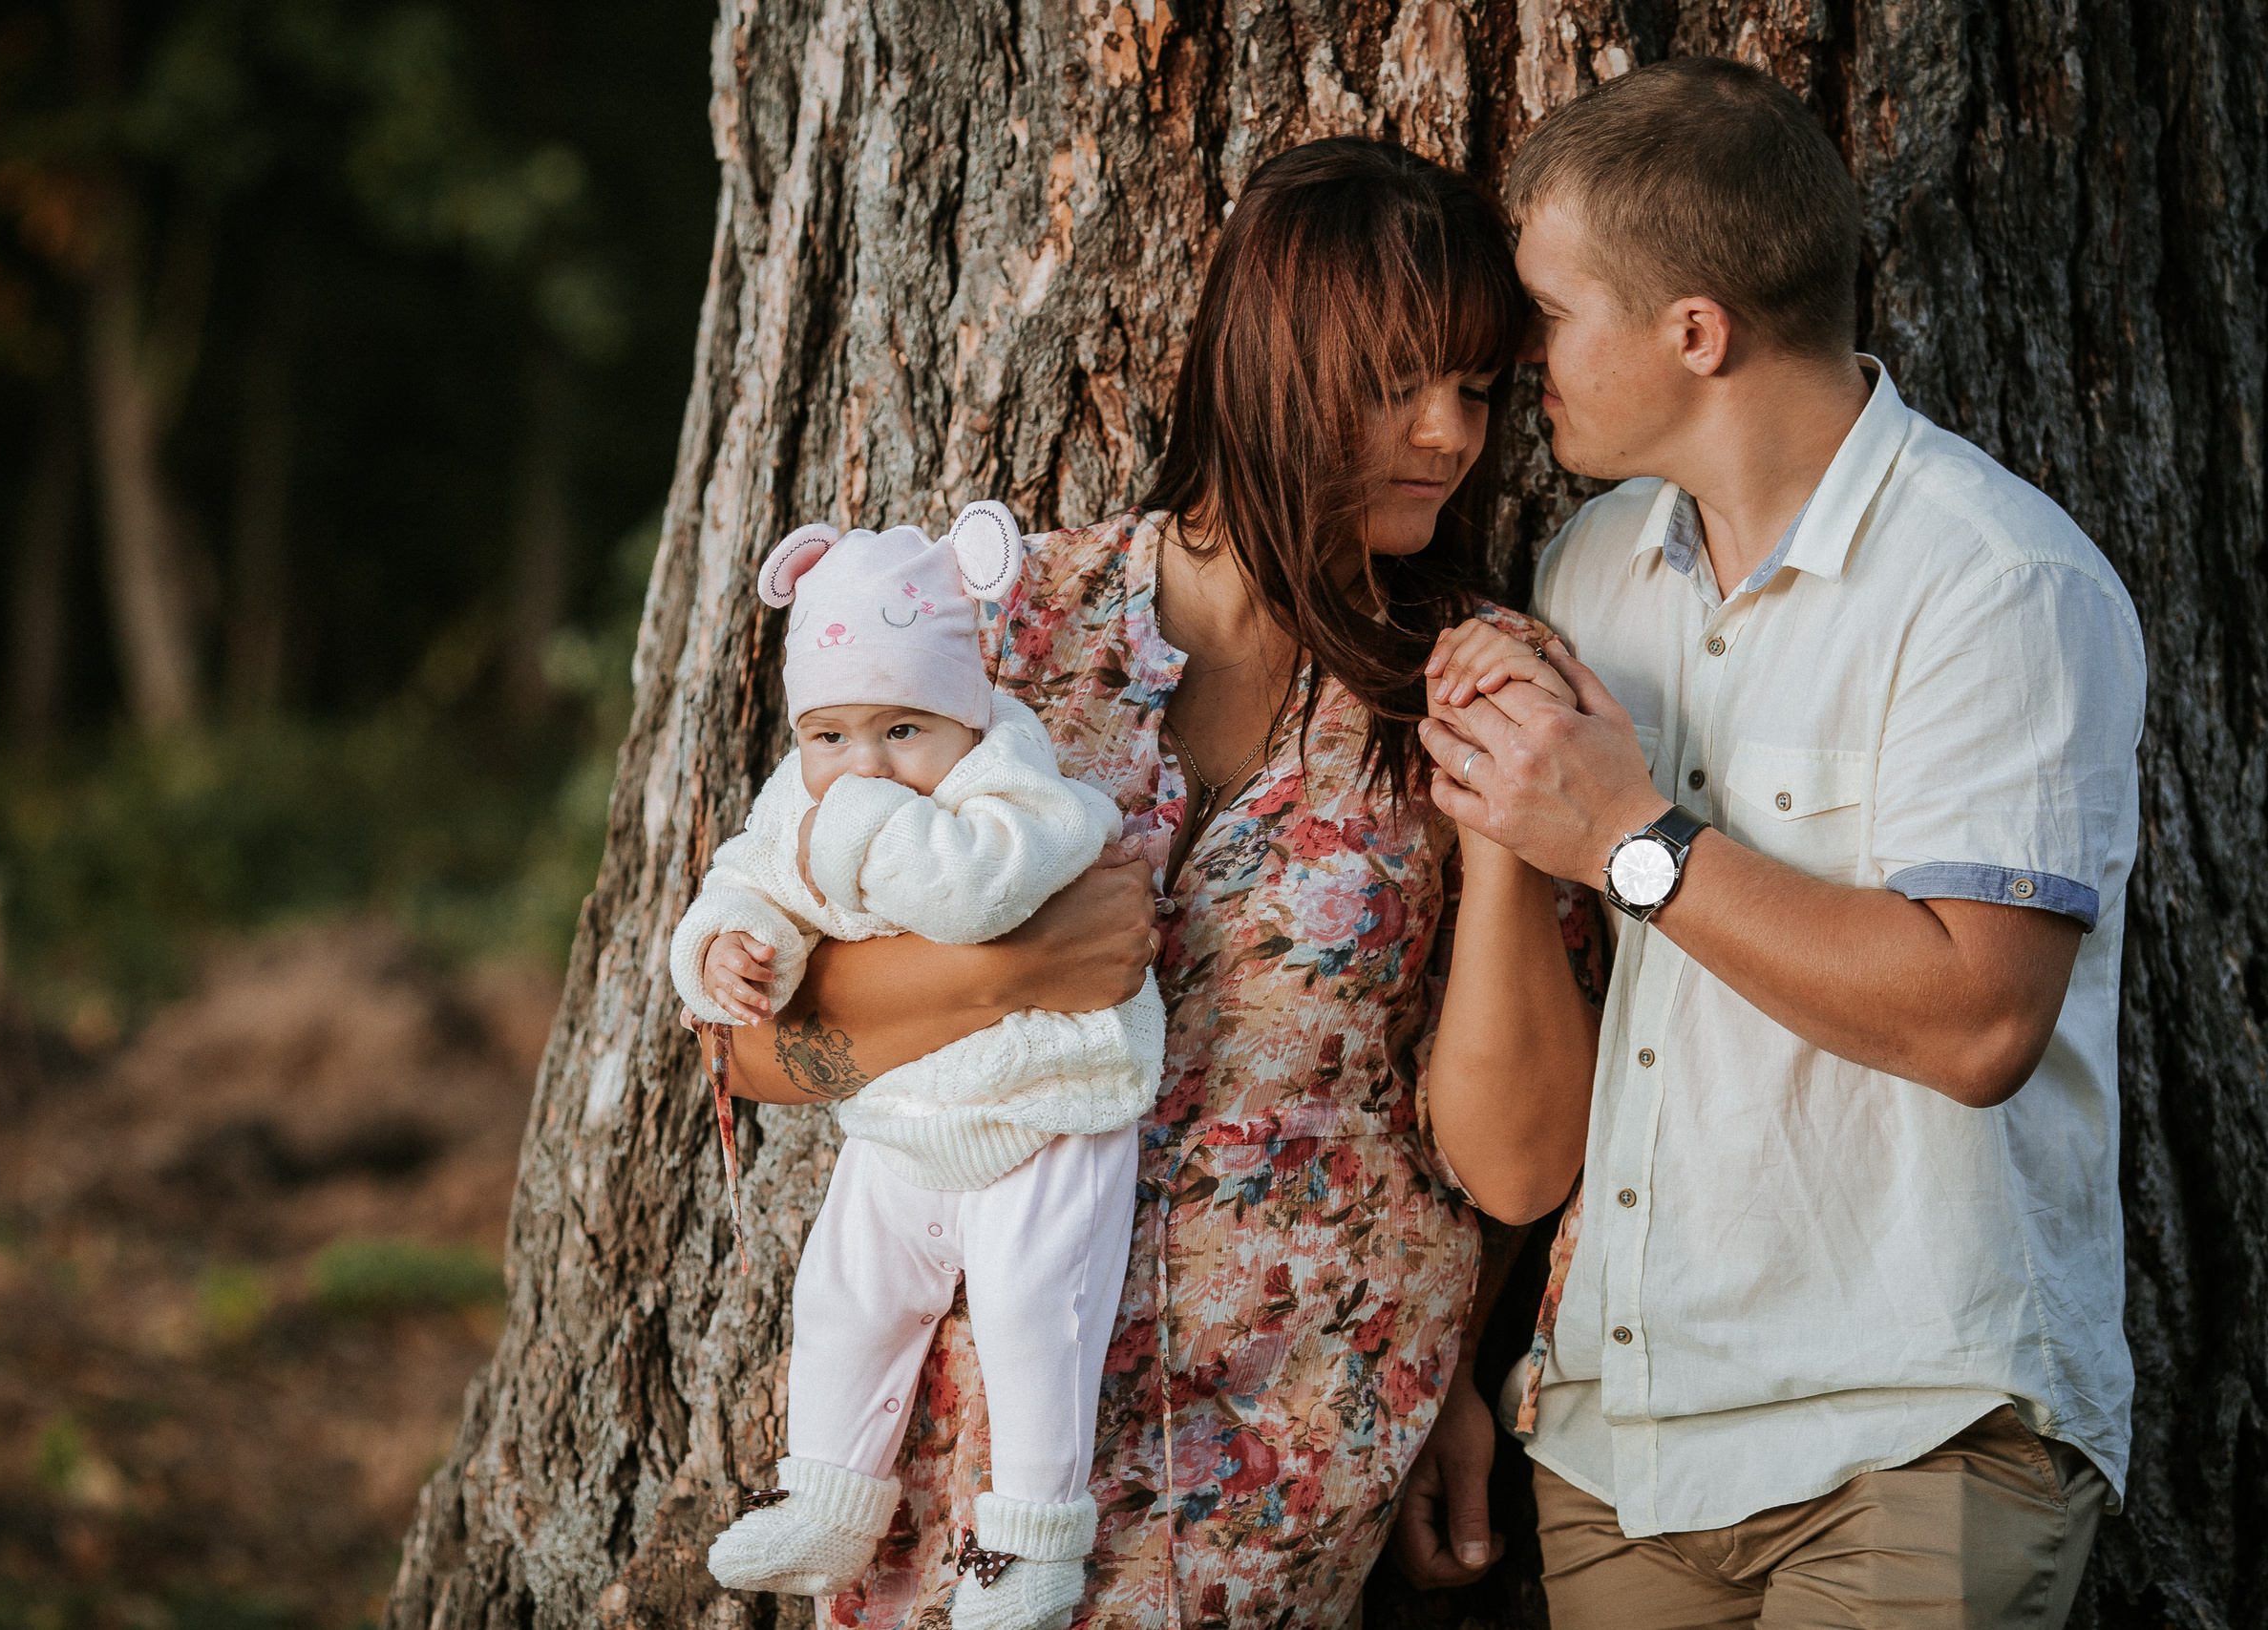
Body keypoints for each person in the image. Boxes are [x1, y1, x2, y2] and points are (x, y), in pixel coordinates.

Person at [716, 138, 1605, 1626]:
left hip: (1282, 1458)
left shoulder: (1478, 684)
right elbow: (759, 1043)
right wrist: (1011, 970)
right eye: (1397, 380)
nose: (1449, 433)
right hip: (963, 1453)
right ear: (1268, 363)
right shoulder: (997, 633)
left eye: (1478, 386)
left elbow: (1513, 1172)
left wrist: (1502, 838)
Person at [1423, 57, 2144, 1629]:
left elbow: (1977, 1020)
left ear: (1694, 331)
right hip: (1621, 1448)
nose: (1508, 353)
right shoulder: (1586, 572)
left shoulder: (1995, 585)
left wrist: (1630, 832)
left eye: (1545, 313)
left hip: (1914, 1434)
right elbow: (1546, 1065)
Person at [676, 500, 1164, 1630]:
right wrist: (730, 948)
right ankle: (829, 1500)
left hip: (1046, 1112)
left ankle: (1035, 1543)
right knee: (844, 1295)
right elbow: (754, 878)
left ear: (962, 711)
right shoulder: (806, 794)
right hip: (903, 1118)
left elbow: (970, 895)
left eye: (903, 731)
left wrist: (845, 829)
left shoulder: (1018, 786)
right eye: (831, 736)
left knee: (1034, 1313)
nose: (865, 765)